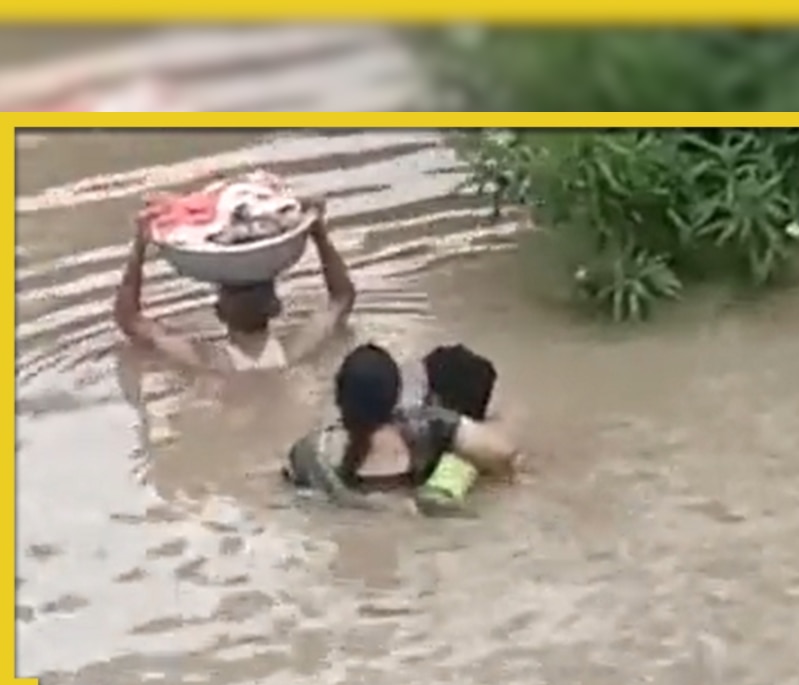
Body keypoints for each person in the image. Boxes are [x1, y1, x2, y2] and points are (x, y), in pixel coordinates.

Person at [113, 197, 356, 372]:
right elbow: (341, 298)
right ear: (276, 307)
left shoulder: (210, 363)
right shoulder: (295, 351)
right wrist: (318, 232)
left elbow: (130, 320)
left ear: (218, 313)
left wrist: (140, 244)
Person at [283, 342, 517, 505]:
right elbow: (504, 453)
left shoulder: (311, 452)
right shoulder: (430, 429)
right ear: (396, 395)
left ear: (338, 397)